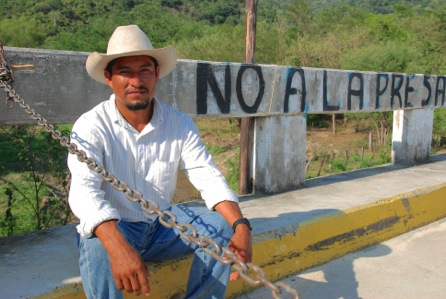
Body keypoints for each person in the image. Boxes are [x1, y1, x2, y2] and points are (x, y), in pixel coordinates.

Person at [67, 24, 252, 299]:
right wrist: (118, 247)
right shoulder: (91, 126)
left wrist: (242, 226)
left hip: (163, 227)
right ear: (109, 78)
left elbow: (208, 177)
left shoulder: (179, 123)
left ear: (156, 74)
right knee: (97, 245)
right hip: (116, 226)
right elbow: (84, 191)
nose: (136, 81)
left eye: (144, 71)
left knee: (222, 227)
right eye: (125, 72)